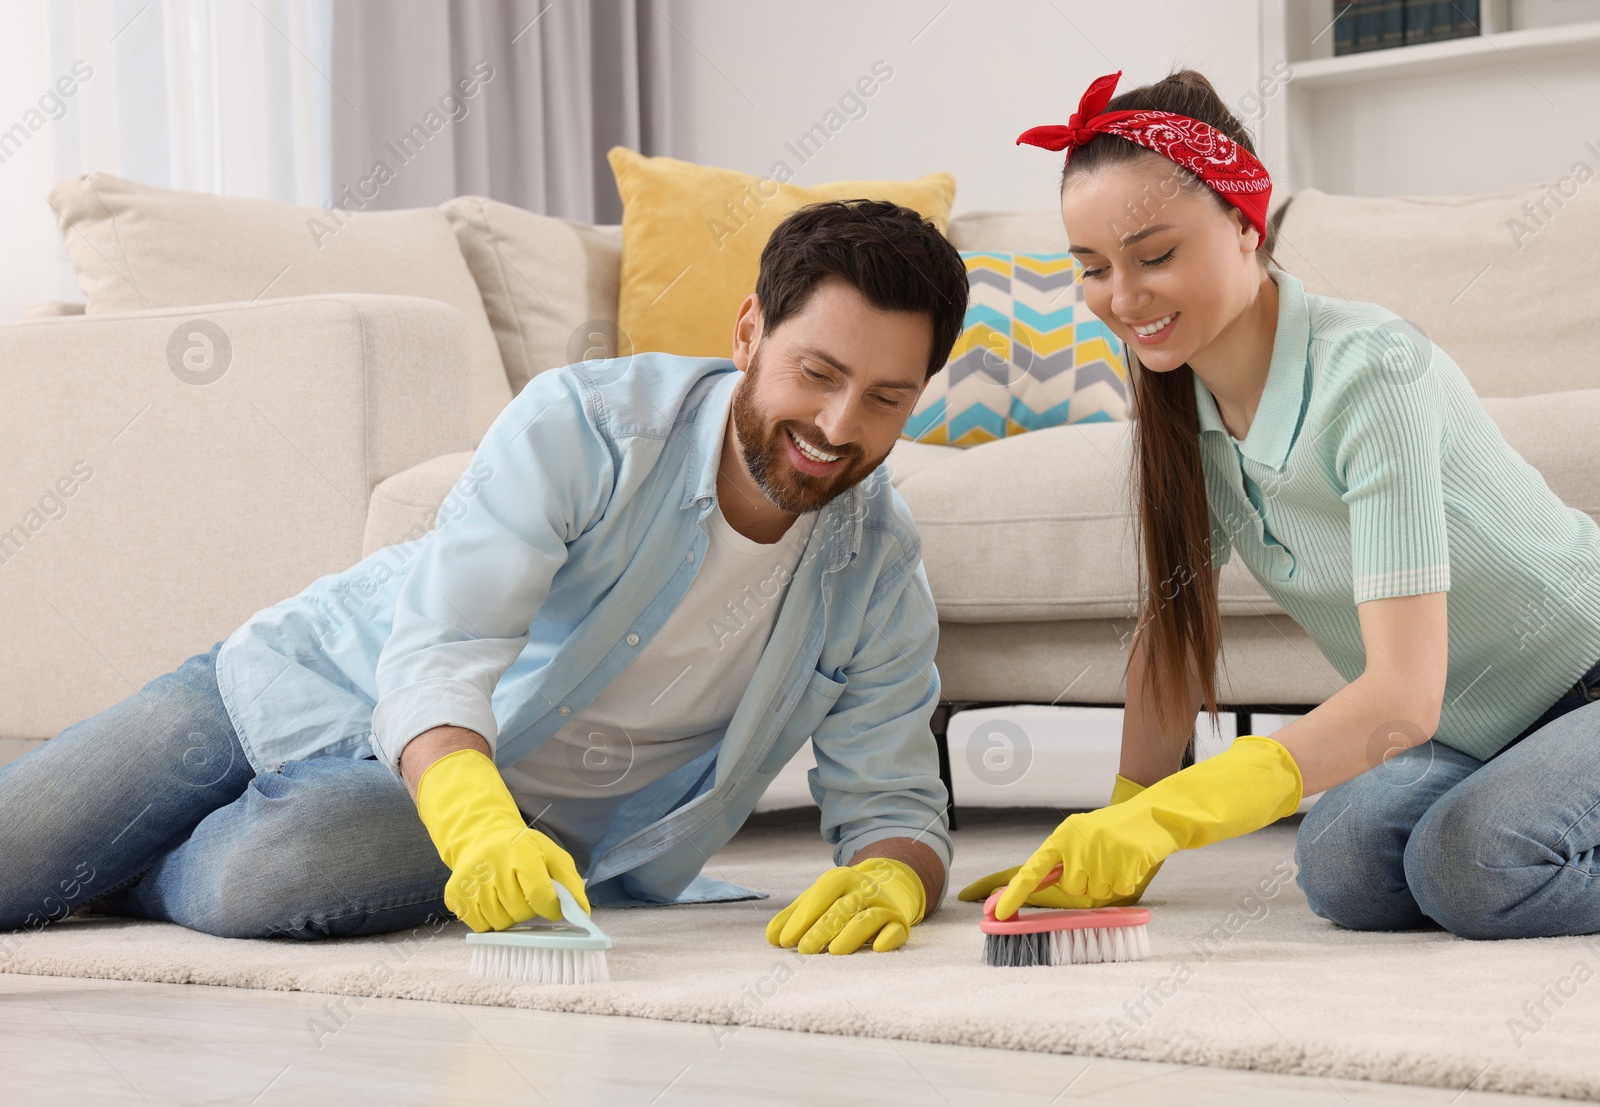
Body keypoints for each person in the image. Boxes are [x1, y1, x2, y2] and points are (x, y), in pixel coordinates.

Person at [0, 197, 970, 957]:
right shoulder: (586, 428)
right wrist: (468, 818)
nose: (839, 428)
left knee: (273, 870)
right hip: (298, 687)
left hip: (489, 817)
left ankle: (127, 873)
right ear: (750, 332)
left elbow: (896, 809)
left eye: (885, 398)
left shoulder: (875, 571)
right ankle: (97, 857)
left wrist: (896, 875)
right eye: (816, 373)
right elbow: (445, 647)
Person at [959, 68, 1600, 940]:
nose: (1125, 297)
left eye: (1154, 256)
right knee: (1340, 865)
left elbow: (1404, 699)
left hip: (1585, 679)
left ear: (1243, 223)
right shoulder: (1181, 402)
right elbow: (1172, 634)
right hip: (1482, 726)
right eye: (1093, 269)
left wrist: (1179, 811)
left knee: (1473, 867)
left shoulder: (1371, 371)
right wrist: (1122, 820)